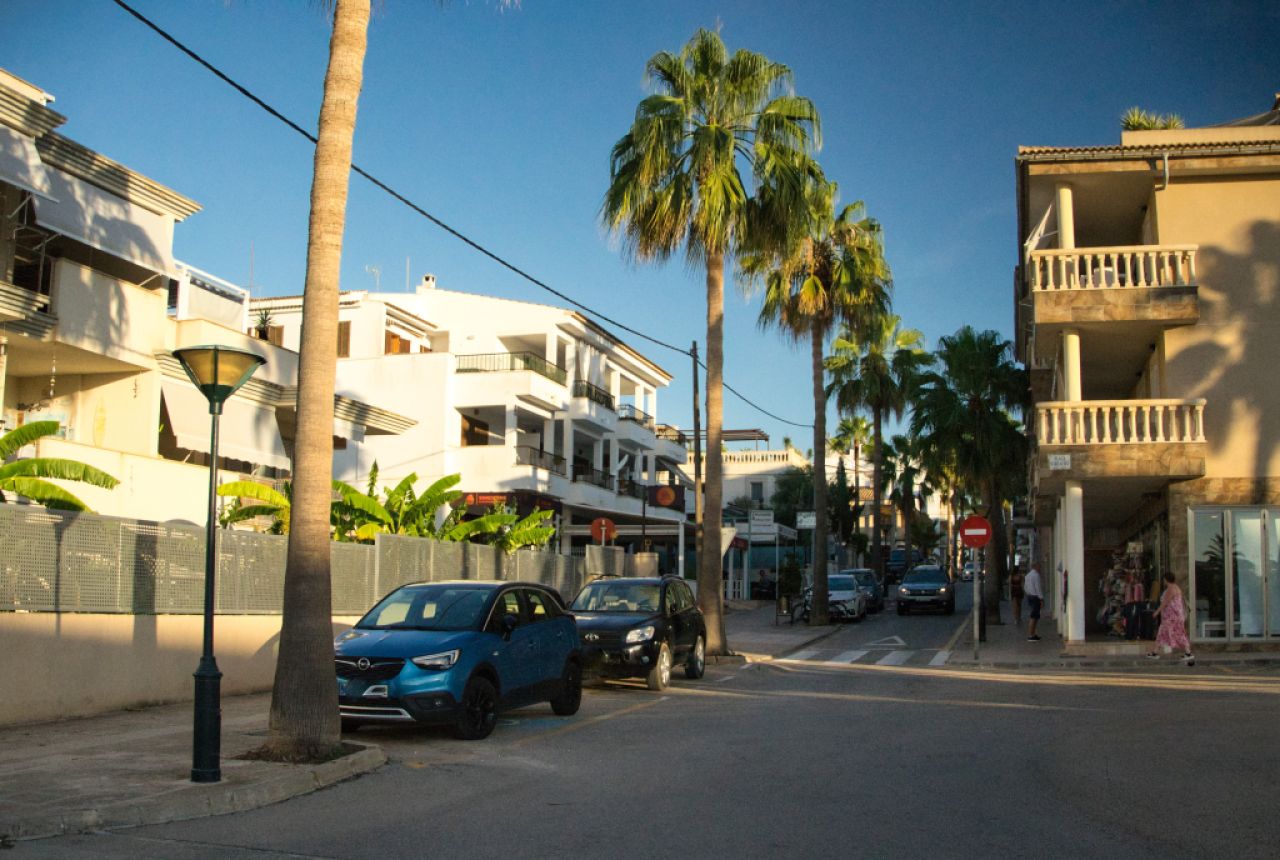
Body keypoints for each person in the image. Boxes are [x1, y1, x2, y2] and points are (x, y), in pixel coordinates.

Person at [1148, 572, 1194, 665]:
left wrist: (1156, 612)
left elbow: (1165, 602)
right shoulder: (1176, 587)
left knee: (1164, 632)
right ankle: (1188, 652)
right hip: (1176, 616)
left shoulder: (1171, 589)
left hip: (1172, 617)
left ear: (1166, 579)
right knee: (1177, 633)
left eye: (1164, 579)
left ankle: (1155, 653)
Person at [1024, 561, 1044, 641]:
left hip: (1030, 596)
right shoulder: (1036, 575)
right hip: (1035, 597)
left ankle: (1033, 633)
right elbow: (1038, 588)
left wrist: (1028, 593)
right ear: (1036, 566)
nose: (1040, 569)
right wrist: (1041, 598)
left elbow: (1025, 587)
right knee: (1034, 616)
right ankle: (1031, 634)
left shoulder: (1028, 575)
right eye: (1039, 567)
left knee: (1035, 616)